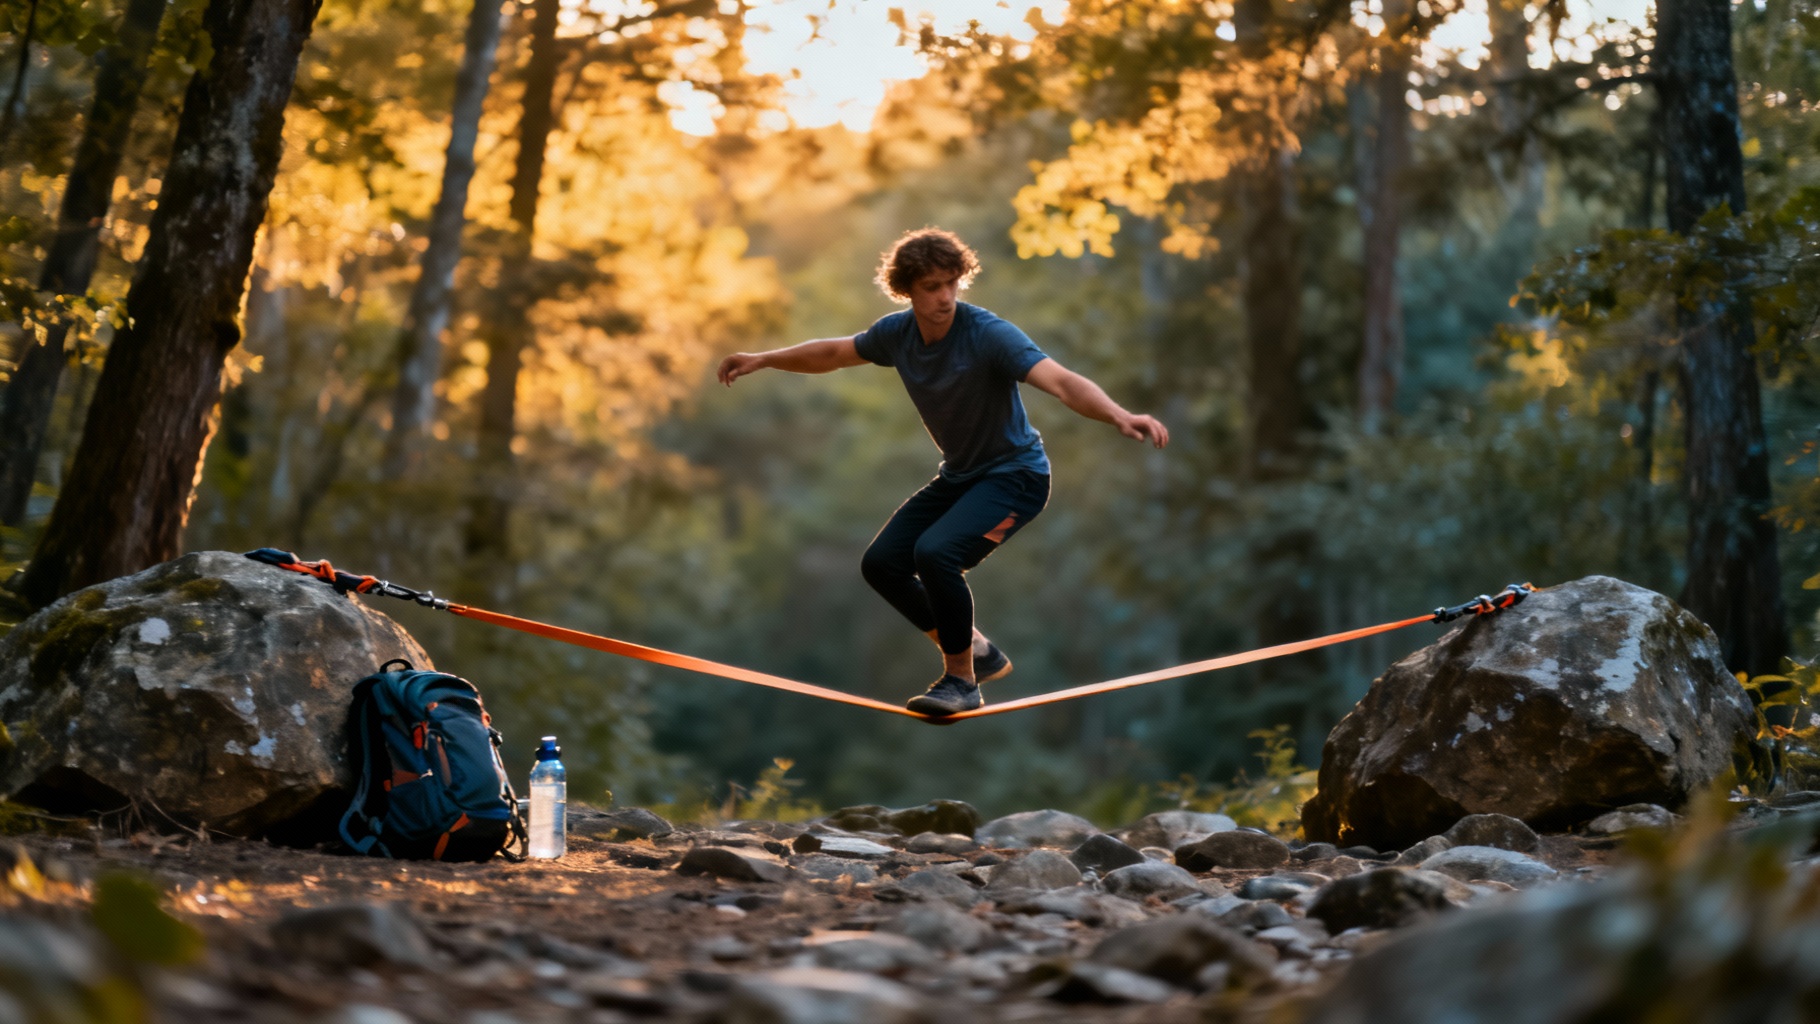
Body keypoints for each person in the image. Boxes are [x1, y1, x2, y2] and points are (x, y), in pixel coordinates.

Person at [716, 228, 1169, 715]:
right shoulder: (898, 335)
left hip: (1018, 479)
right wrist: (765, 358)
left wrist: (1118, 413)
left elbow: (1059, 381)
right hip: (961, 477)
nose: (945, 297)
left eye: (952, 283)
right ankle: (974, 649)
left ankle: (961, 681)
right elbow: (833, 353)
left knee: (936, 553)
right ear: (907, 289)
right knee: (882, 564)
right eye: (932, 287)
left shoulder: (987, 334)